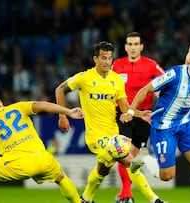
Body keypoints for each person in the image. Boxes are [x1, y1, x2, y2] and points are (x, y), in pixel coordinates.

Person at [55, 41, 166, 203]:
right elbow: (59, 89)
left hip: (114, 133)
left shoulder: (117, 80)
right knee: (130, 162)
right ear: (95, 59)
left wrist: (140, 114)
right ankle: (154, 199)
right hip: (95, 136)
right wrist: (62, 116)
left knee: (103, 170)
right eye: (103, 58)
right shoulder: (84, 78)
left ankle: (86, 198)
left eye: (109, 58)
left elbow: (124, 107)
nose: (107, 62)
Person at [122, 48, 190, 203]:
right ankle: (144, 157)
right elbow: (147, 89)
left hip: (185, 124)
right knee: (167, 176)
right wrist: (130, 111)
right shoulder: (175, 74)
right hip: (164, 126)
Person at [112, 31, 164, 203]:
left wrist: (160, 92)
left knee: (133, 158)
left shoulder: (151, 65)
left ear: (141, 46)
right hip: (124, 115)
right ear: (125, 47)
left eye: (136, 44)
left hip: (144, 117)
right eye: (130, 44)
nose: (133, 48)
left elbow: (165, 82)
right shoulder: (117, 65)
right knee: (123, 153)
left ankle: (123, 194)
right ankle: (127, 195)